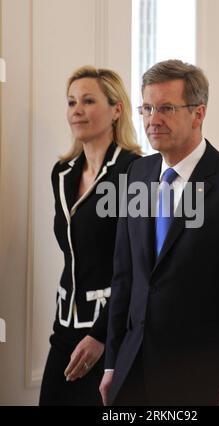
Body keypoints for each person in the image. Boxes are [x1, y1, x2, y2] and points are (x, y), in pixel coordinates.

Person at [100, 59, 219, 406]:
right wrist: (111, 363)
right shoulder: (137, 174)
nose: (153, 119)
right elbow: (125, 278)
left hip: (204, 378)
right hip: (131, 372)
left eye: (166, 107)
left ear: (198, 113)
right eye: (147, 108)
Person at [39, 66, 142, 406]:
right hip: (65, 328)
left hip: (112, 332)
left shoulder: (136, 172)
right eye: (71, 102)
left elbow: (142, 265)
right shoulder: (62, 172)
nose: (76, 110)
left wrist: (101, 335)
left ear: (116, 109)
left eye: (87, 101)